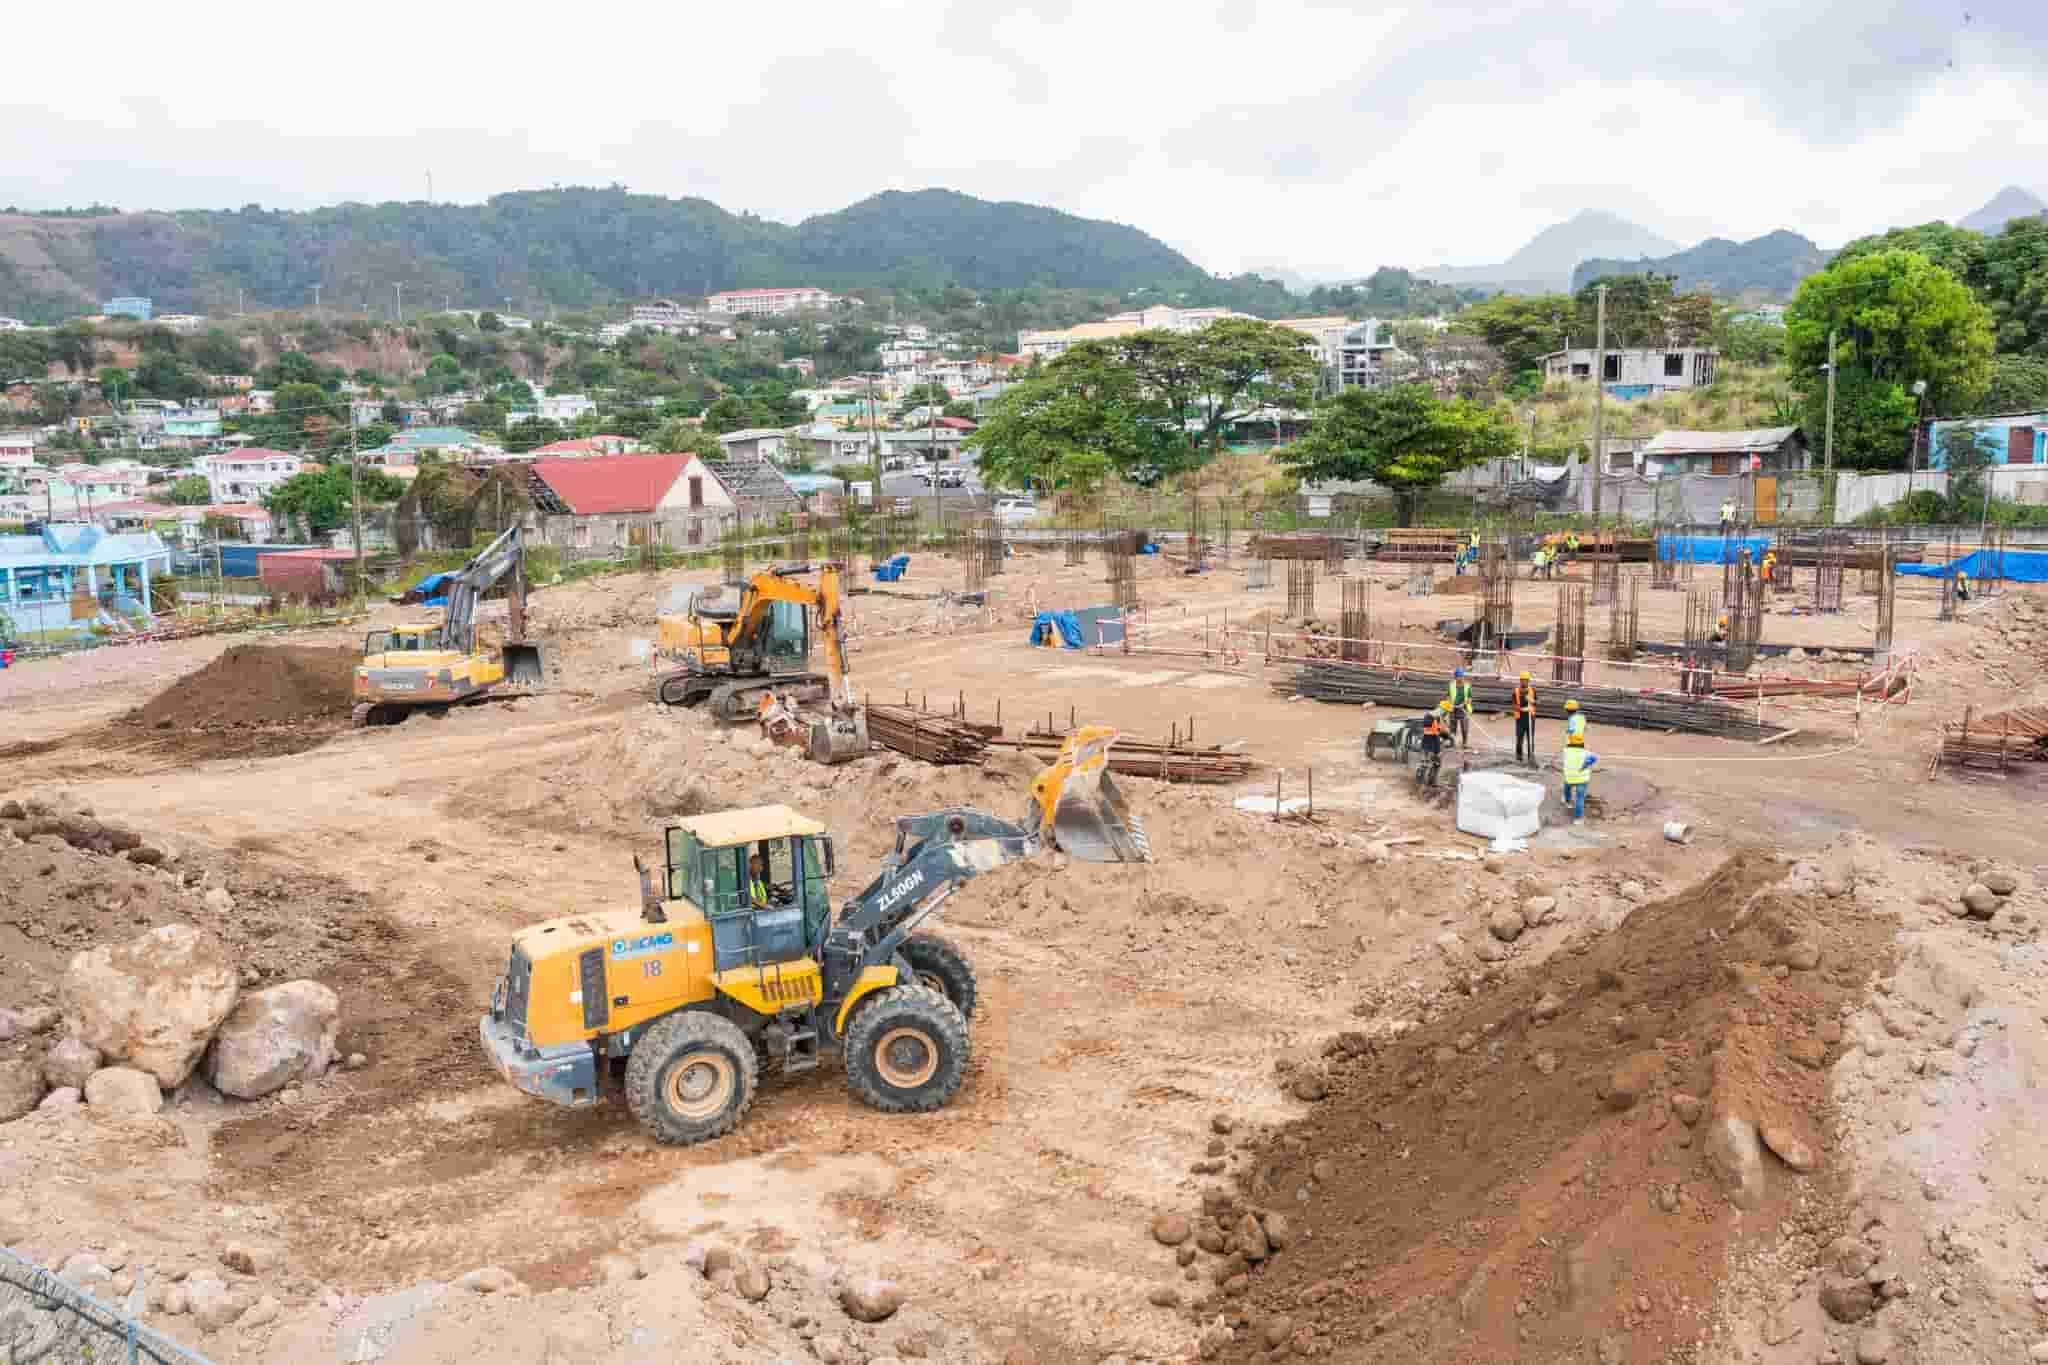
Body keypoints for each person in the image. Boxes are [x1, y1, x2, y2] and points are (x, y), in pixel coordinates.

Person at [1561, 734, 1598, 822]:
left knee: (1567, 787)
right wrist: (1585, 765)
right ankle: (1577, 819)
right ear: (1582, 743)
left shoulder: (1565, 751)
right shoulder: (1586, 753)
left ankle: (1568, 802)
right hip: (1582, 779)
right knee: (1580, 798)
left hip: (1569, 777)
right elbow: (1594, 758)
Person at [1417, 702, 1448, 787]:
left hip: (1430, 742)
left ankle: (1427, 782)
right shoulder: (1433, 717)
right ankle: (1426, 782)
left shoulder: (1432, 716)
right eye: (1446, 712)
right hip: (1431, 741)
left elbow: (1438, 730)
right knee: (1431, 763)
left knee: (1431, 762)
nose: (1446, 714)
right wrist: (1444, 733)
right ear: (1444, 710)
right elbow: (1438, 730)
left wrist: (1444, 733)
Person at [1512, 670, 1538, 766]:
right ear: (1520, 681)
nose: (1524, 682)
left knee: (1530, 739)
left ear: (1528, 681)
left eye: (1526, 680)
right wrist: (1523, 709)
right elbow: (1514, 705)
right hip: (1520, 718)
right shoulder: (1516, 691)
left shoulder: (1532, 690)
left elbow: (1536, 702)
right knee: (1519, 738)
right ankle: (1519, 757)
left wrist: (1532, 701)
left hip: (1530, 718)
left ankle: (1531, 757)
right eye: (1522, 680)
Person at [1445, 667, 1473, 748]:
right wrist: (1449, 703)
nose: (1459, 678)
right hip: (1453, 708)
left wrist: (1464, 704)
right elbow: (1448, 696)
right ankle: (1452, 743)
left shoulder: (1467, 686)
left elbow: (1470, 698)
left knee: (1464, 727)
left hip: (1463, 709)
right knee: (1452, 727)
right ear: (1455, 677)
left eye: (1461, 677)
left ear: (1463, 677)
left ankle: (1464, 743)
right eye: (1458, 677)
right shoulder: (1451, 685)